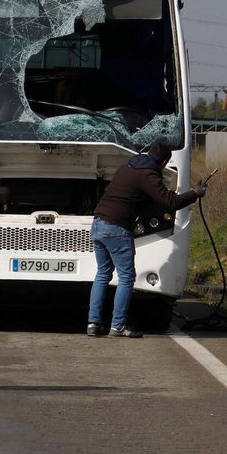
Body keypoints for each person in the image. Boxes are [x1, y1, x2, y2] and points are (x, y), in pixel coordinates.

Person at [88, 141, 206, 338]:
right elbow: (171, 202)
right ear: (165, 161)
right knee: (126, 278)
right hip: (116, 229)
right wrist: (195, 193)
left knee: (103, 274)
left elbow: (137, 199)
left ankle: (93, 323)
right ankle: (118, 326)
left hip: (98, 223)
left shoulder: (127, 166)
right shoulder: (148, 175)